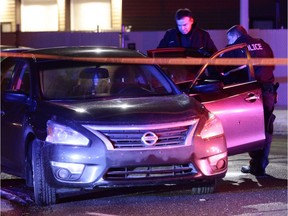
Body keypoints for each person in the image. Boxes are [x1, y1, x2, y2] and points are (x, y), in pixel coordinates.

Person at [222, 25, 277, 176]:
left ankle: (256, 165)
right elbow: (271, 64)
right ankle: (259, 166)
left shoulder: (235, 48)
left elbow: (221, 71)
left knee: (251, 131)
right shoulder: (263, 44)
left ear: (234, 37)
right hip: (267, 92)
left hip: (250, 95)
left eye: (229, 39)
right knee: (266, 128)